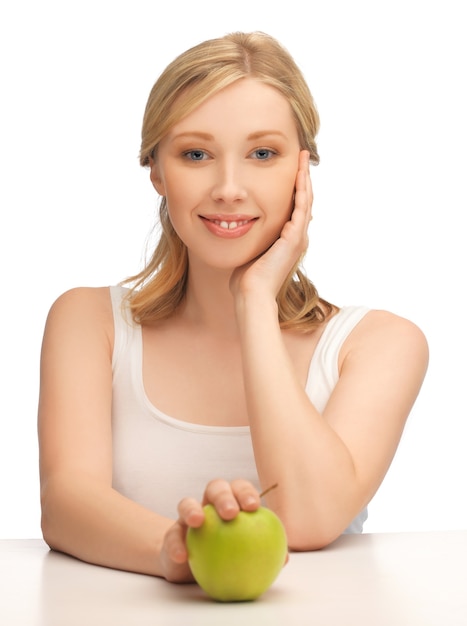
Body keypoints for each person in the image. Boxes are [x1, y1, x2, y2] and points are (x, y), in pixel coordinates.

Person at [37, 31, 429, 583]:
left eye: (262, 154)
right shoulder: (88, 322)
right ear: (156, 172)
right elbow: (65, 502)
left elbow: (310, 519)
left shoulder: (380, 344)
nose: (228, 187)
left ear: (303, 169)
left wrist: (254, 300)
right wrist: (173, 549)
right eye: (195, 154)